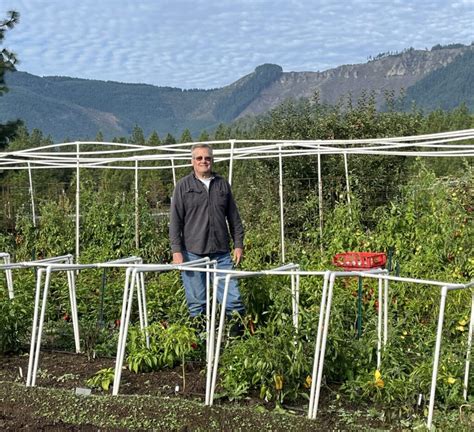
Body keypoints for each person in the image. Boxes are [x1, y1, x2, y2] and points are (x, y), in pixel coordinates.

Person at [169, 143, 246, 321]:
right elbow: (175, 221)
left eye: (207, 158)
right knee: (197, 303)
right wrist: (176, 251)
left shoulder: (222, 185)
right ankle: (200, 342)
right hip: (192, 253)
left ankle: (236, 341)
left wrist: (238, 244)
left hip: (221, 253)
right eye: (199, 158)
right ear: (192, 162)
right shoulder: (183, 186)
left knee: (233, 300)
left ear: (212, 160)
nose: (204, 161)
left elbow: (234, 218)